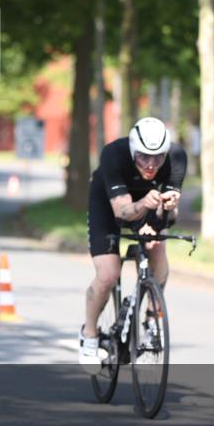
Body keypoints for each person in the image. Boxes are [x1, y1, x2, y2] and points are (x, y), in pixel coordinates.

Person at [80, 117, 187, 367]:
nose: (150, 165)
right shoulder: (114, 154)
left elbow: (170, 218)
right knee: (108, 274)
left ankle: (151, 319)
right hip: (109, 204)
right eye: (143, 157)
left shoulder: (177, 157)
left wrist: (168, 209)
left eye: (158, 158)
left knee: (157, 248)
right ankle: (89, 335)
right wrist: (143, 205)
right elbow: (121, 213)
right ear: (132, 150)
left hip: (149, 203)